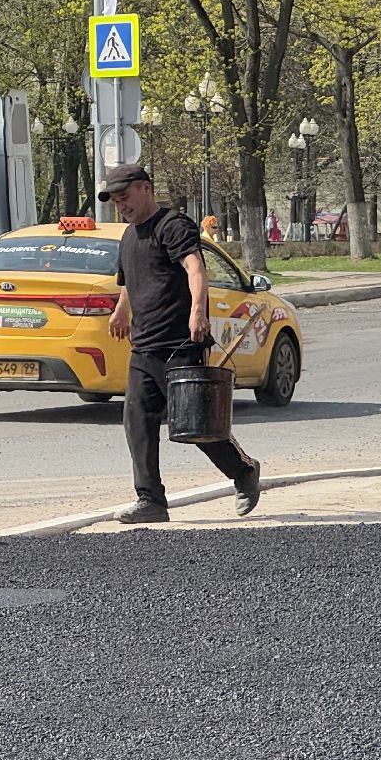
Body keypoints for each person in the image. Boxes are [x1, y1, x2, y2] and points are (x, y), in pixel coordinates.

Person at [102, 164, 261, 524]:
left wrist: (198, 313)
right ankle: (151, 501)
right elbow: (130, 281)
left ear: (146, 188)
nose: (122, 206)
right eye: (116, 201)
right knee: (137, 423)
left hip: (181, 344)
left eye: (125, 197)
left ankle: (244, 471)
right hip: (144, 346)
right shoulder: (129, 236)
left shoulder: (173, 225)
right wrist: (120, 312)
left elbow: (195, 268)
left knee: (195, 424)